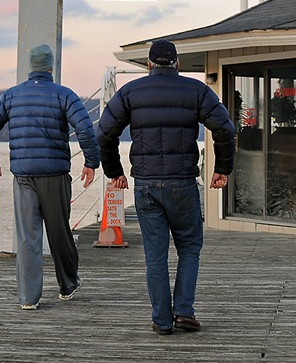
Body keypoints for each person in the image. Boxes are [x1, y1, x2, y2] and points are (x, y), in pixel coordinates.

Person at [96, 39, 235, 335]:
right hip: (182, 183)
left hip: (146, 185)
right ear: (177, 63)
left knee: (155, 255)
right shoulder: (197, 91)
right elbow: (224, 128)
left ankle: (161, 320)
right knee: (190, 247)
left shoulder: (130, 92)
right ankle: (183, 311)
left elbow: (105, 132)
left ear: (148, 64)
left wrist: (114, 172)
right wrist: (222, 168)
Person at [0, 44, 100, 310]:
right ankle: (67, 285)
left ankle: (28, 298)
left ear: (31, 66)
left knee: (27, 237)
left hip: (23, 175)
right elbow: (85, 129)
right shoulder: (64, 95)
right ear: (51, 67)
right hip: (55, 175)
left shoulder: (10, 96)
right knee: (59, 233)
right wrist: (91, 162)